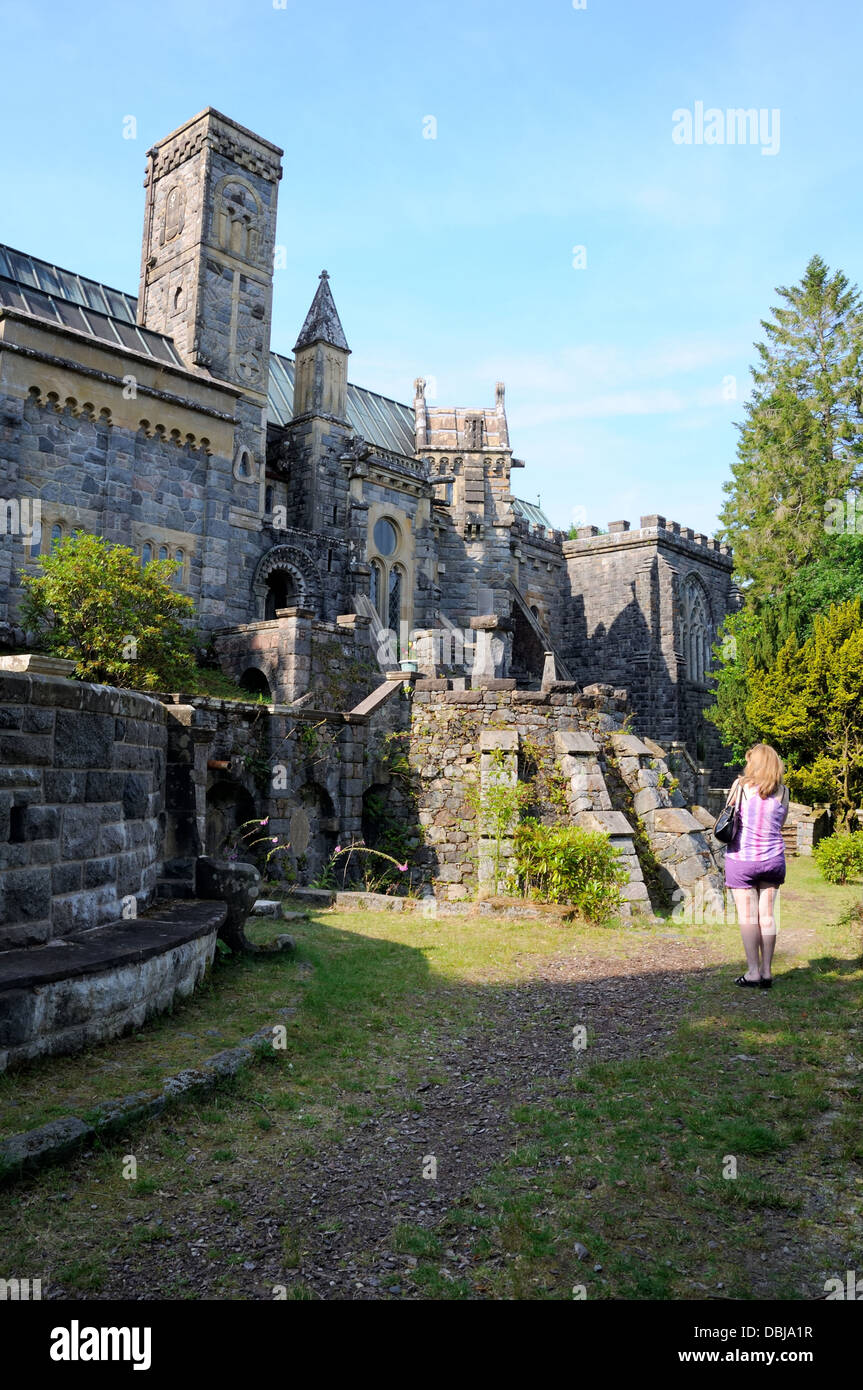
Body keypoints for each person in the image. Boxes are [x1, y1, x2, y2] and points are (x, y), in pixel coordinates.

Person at [724, 743, 789, 990]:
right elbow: (779, 824)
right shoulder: (783, 792)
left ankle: (753, 972)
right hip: (773, 859)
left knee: (749, 917)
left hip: (742, 859)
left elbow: (728, 814)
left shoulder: (741, 786)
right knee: (768, 915)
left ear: (755, 763)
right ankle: (767, 972)